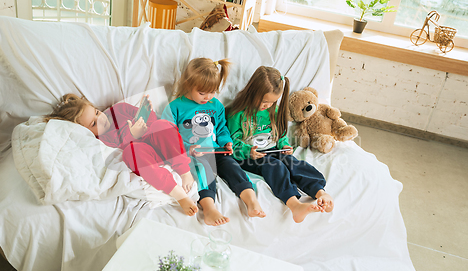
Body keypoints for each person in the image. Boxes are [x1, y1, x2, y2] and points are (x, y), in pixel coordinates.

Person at [44, 93, 198, 216]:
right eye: (93, 123)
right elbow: (118, 149)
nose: (100, 119)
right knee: (132, 152)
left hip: (160, 143)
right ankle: (177, 193)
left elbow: (153, 122)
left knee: (161, 125)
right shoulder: (101, 139)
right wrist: (133, 134)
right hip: (147, 156)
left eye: (97, 113)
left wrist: (147, 113)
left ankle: (184, 171)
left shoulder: (119, 109)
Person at [162, 57, 265, 226]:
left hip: (216, 150)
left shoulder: (215, 105)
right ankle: (209, 208)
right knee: (203, 170)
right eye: (202, 93)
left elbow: (222, 128)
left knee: (232, 166)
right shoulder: (175, 107)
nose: (207, 97)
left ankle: (251, 200)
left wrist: (226, 142)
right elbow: (168, 137)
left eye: (212, 92)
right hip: (194, 154)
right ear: (188, 84)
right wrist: (188, 149)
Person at [226, 66, 334, 223]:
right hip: (249, 156)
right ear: (252, 92)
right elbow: (233, 143)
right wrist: (248, 151)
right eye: (264, 101)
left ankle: (319, 192)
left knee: (294, 163)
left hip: (272, 149)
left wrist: (284, 145)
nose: (267, 105)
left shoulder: (274, 111)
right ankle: (294, 204)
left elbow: (280, 134)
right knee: (274, 165)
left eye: (271, 102)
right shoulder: (238, 113)